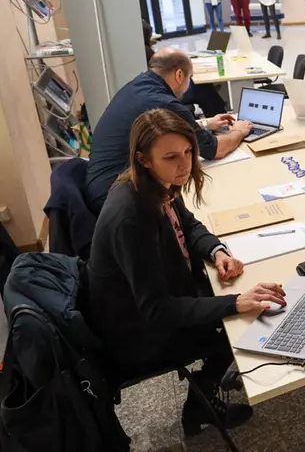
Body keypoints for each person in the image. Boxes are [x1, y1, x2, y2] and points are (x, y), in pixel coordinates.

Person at [87, 109, 286, 435]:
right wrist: (234, 303)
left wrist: (216, 251)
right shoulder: (132, 216)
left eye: (188, 152)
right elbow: (157, 311)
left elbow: (189, 226)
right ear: (144, 159)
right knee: (239, 322)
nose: (185, 164)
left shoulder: (154, 184)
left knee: (241, 299)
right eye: (171, 157)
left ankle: (204, 390)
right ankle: (199, 404)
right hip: (137, 334)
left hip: (161, 295)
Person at [84, 48, 253, 214]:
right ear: (179, 75)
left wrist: (206, 124)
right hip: (118, 200)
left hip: (100, 186)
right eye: (190, 77)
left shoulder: (137, 85)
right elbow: (216, 149)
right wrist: (238, 131)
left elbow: (161, 128)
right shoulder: (165, 102)